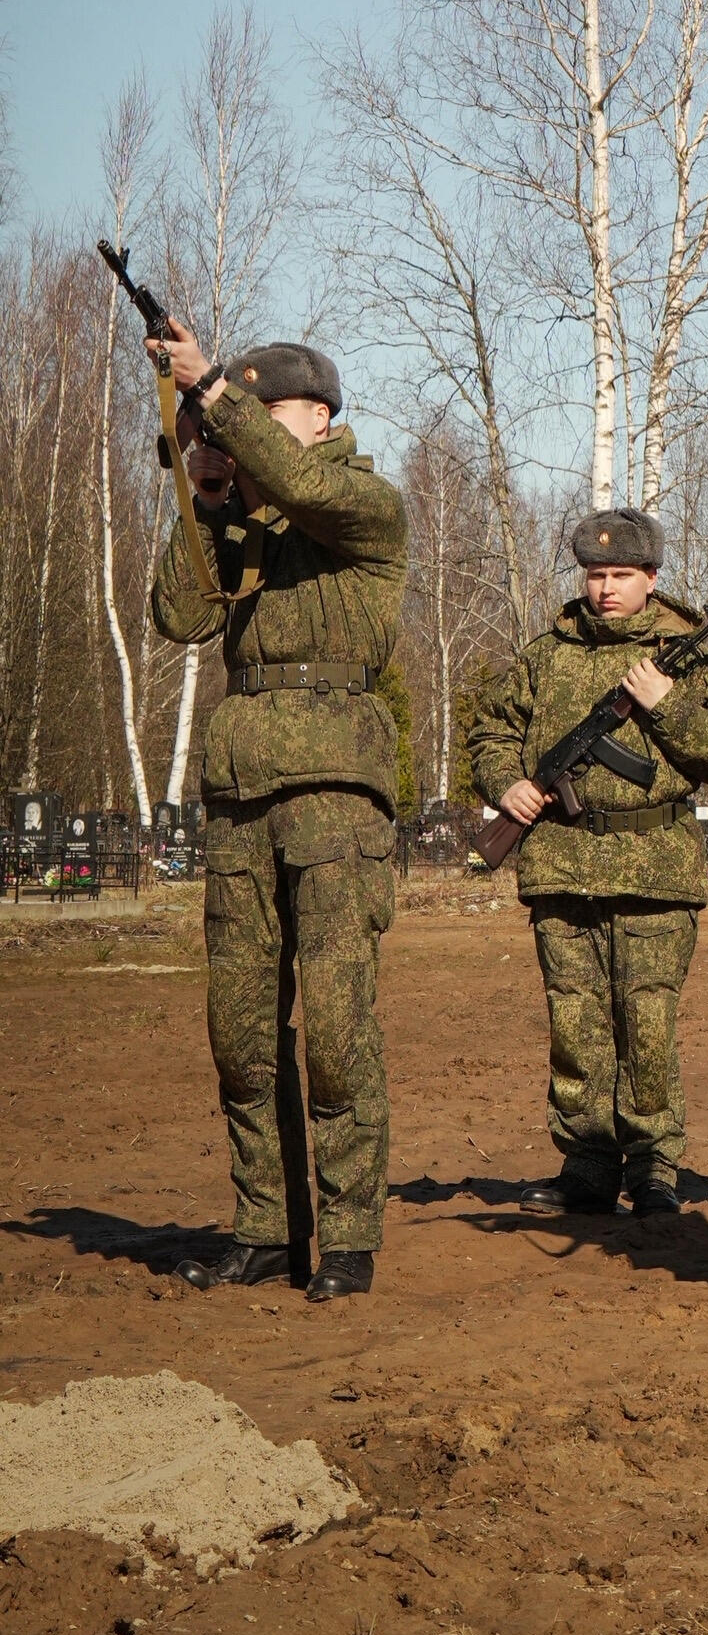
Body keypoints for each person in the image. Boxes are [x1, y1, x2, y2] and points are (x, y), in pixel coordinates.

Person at [149, 330, 407, 1303]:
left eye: (267, 411)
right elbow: (179, 616)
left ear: (321, 418)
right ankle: (264, 1225)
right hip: (241, 792)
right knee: (241, 1033)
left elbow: (305, 487)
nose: (245, 427)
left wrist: (214, 394)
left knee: (336, 1032)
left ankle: (347, 1234)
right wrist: (209, 495)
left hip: (334, 790)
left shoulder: (364, 504)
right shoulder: (248, 522)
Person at [470, 510, 708, 1218]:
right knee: (575, 1022)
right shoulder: (546, 655)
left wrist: (667, 706)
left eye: (622, 575)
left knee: (647, 1024)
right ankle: (587, 1163)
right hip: (562, 865)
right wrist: (507, 783)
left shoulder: (684, 658)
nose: (606, 589)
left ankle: (654, 1166)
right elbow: (490, 731)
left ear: (651, 578)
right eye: (596, 575)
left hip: (655, 872)